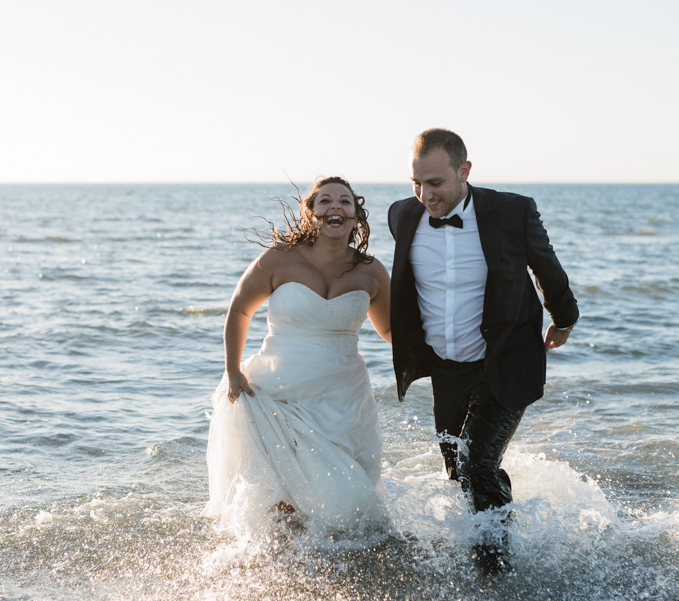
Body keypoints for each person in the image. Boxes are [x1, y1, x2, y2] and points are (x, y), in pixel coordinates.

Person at [388, 129, 579, 571]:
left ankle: (494, 570)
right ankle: (496, 538)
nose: (424, 194)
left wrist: (564, 318)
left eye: (435, 183)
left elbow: (547, 267)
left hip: (504, 360)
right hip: (445, 368)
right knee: (461, 470)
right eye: (416, 182)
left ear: (464, 171)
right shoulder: (403, 215)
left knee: (475, 462)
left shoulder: (511, 211)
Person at [204, 176, 392, 535]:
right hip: (277, 392)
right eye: (324, 201)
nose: (335, 206)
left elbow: (392, 333)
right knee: (280, 496)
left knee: (348, 502)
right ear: (310, 214)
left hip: (344, 399)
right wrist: (233, 372)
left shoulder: (372, 271)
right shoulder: (278, 260)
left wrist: (447, 347)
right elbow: (239, 311)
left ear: (356, 216)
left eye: (344, 202)